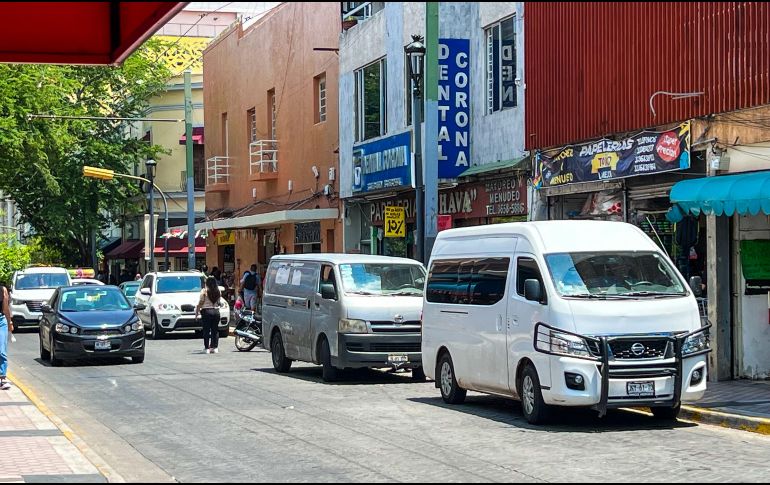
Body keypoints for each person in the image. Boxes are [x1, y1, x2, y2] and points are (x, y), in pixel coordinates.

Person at [195, 276, 223, 354]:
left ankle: (207, 348)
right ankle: (215, 347)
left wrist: (197, 313)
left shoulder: (204, 291)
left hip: (206, 311)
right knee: (215, 330)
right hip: (216, 311)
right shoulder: (218, 291)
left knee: (206, 330)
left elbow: (200, 303)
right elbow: (219, 302)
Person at [0, 283, 13, 390]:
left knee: (1, 350)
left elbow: (5, 309)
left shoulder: (2, 290)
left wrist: (9, 323)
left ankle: (2, 377)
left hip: (0, 321)